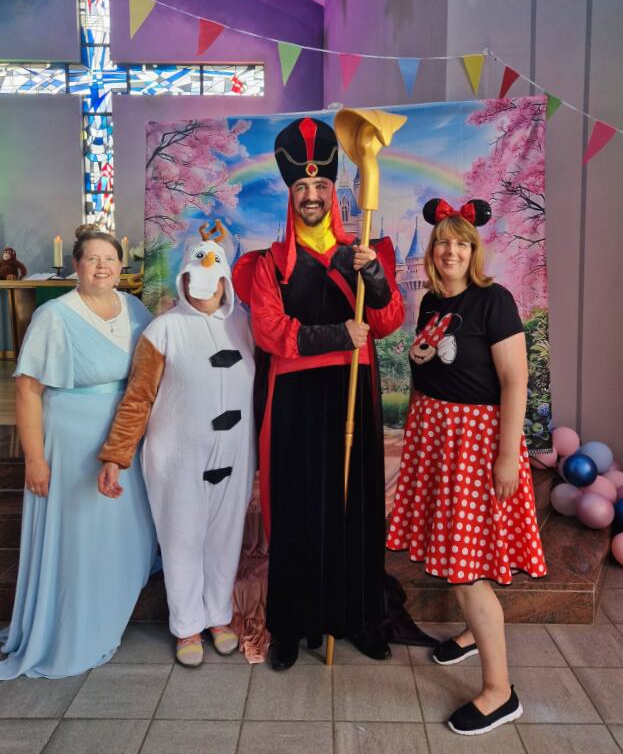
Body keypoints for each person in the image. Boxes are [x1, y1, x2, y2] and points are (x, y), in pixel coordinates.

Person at [232, 116, 405, 670]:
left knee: (355, 508)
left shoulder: (365, 252)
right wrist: (335, 335)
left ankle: (361, 618)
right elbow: (269, 331)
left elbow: (387, 323)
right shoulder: (268, 265)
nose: (312, 194)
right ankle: (291, 625)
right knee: (297, 511)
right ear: (291, 193)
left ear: (334, 192)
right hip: (295, 402)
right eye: (302, 186)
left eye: (321, 185)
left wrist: (374, 279)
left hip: (352, 392)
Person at [387, 198, 547, 735]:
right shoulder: (432, 301)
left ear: (473, 251)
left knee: (467, 566)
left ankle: (500, 693)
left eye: (461, 243)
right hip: (436, 439)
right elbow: (427, 372)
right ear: (432, 251)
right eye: (443, 242)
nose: (451, 251)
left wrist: (507, 455)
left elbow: (515, 380)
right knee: (454, 550)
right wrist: (417, 434)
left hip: (475, 444)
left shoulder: (493, 300)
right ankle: (472, 634)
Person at [0, 225, 157, 679]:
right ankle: (73, 627)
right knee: (78, 534)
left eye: (109, 259)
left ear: (121, 265)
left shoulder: (135, 309)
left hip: (122, 439)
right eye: (92, 259)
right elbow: (28, 389)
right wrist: (35, 459)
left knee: (124, 534)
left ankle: (108, 611)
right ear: (77, 265)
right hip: (71, 442)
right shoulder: (54, 315)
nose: (102, 267)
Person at [98, 237, 255, 666]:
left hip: (235, 458)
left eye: (214, 281)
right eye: (195, 280)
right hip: (178, 459)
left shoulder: (244, 325)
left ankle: (218, 617)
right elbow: (138, 398)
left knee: (225, 539)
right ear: (183, 280)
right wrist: (116, 454)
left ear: (225, 283)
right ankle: (187, 625)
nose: (205, 289)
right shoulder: (162, 329)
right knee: (182, 540)